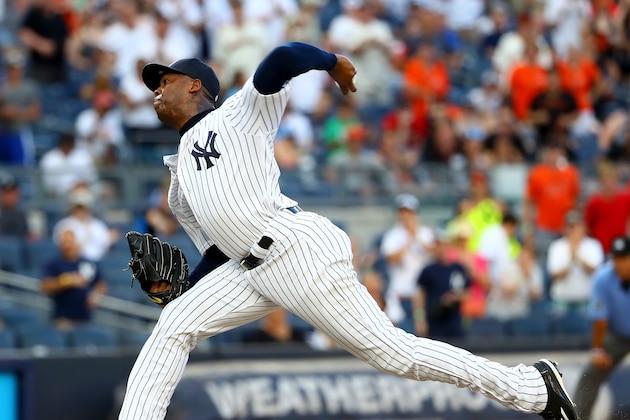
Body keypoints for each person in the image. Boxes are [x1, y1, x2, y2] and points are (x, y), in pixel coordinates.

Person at [117, 41, 578, 420]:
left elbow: (280, 60)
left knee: (395, 355)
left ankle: (531, 387)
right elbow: (220, 250)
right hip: (247, 267)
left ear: (194, 85)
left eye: (165, 80)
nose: (157, 89)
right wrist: (181, 288)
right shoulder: (179, 181)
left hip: (295, 251)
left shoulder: (235, 116)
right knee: (174, 324)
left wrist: (331, 62)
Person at [574, 236, 630, 419]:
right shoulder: (603, 277)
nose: (618, 264)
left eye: (624, 258)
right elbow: (600, 319)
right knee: (590, 374)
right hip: (616, 334)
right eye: (615, 258)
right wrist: (598, 349)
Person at [380, 193, 435, 334]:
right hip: (401, 296)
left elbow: (433, 253)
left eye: (409, 212)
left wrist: (415, 235)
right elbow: (392, 258)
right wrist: (409, 239)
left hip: (422, 297)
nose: (406, 216)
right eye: (402, 212)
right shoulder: (392, 235)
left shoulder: (425, 233)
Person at [40, 226, 108, 329]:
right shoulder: (53, 264)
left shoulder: (87, 263)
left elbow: (101, 283)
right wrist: (67, 280)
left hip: (85, 318)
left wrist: (96, 295)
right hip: (63, 318)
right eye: (65, 242)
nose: (68, 245)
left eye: (70, 241)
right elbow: (44, 286)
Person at [414, 230, 471, 339]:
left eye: (443, 245)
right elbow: (420, 295)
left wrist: (454, 297)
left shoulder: (458, 268)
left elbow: (467, 293)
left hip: (454, 320)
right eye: (438, 245)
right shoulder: (428, 270)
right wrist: (420, 319)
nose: (441, 249)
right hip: (434, 319)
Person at [547, 211, 604, 316]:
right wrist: (570, 261)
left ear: (583, 227)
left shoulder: (594, 245)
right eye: (570, 227)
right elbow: (554, 276)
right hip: (562, 301)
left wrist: (578, 257)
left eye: (577, 226)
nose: (573, 230)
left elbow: (598, 274)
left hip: (587, 300)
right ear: (565, 228)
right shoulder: (556, 246)